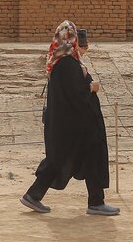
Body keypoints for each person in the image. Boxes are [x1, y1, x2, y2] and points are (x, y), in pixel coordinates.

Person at [20, 20, 119, 216]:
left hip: (69, 124)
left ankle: (35, 195)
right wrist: (91, 87)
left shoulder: (62, 61)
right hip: (77, 125)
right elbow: (77, 93)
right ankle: (95, 203)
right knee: (74, 158)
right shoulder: (66, 64)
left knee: (65, 159)